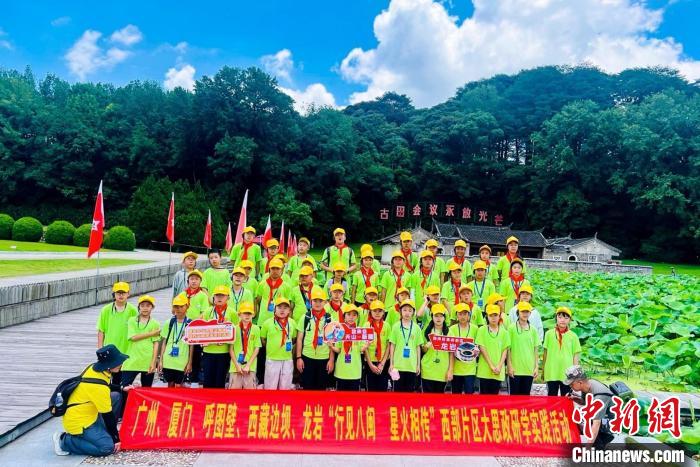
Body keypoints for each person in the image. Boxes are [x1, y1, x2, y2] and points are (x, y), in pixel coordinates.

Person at [52, 345, 127, 457]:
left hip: (89, 412)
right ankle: (64, 440)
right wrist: (116, 439)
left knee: (115, 396)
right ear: (108, 365)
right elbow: (108, 415)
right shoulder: (99, 389)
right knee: (107, 447)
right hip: (80, 422)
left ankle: (102, 433)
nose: (121, 364)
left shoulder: (93, 368)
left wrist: (121, 388)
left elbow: (106, 384)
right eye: (118, 362)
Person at [96, 281, 138, 387]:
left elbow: (137, 331)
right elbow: (101, 331)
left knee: (124, 381)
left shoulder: (133, 311)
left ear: (128, 294)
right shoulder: (105, 310)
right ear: (114, 294)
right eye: (118, 293)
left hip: (126, 351)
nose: (121, 295)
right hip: (110, 352)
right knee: (108, 380)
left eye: (123, 293)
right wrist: (100, 349)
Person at [564, 365, 615, 448]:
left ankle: (599, 444)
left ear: (580, 382)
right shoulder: (587, 386)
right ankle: (596, 444)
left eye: (571, 384)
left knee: (587, 421)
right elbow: (587, 403)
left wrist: (588, 447)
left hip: (610, 421)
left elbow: (596, 423)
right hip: (600, 416)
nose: (570, 386)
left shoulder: (600, 395)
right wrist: (576, 399)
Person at [295, 287, 334, 390]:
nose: (317, 303)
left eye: (320, 301)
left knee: (321, 389)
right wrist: (299, 358)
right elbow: (299, 339)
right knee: (307, 388)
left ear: (325, 302)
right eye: (315, 300)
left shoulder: (329, 319)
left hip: (324, 358)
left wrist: (331, 360)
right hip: (307, 357)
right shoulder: (305, 317)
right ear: (311, 302)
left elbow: (332, 342)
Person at [120, 295, 161, 389]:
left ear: (152, 307)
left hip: (147, 360)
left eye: (148, 305)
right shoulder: (132, 320)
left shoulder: (155, 323)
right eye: (142, 305)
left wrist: (153, 362)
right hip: (132, 360)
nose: (145, 308)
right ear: (139, 307)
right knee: (124, 387)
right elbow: (133, 337)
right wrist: (152, 333)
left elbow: (156, 344)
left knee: (146, 389)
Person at [201, 285, 235, 388]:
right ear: (213, 298)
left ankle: (218, 399)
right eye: (217, 295)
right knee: (207, 381)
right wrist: (203, 341)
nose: (219, 298)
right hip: (208, 351)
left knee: (220, 381)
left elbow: (236, 332)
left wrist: (226, 339)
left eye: (222, 296)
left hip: (223, 352)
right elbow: (201, 329)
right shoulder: (208, 311)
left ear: (228, 298)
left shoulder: (232, 313)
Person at [260, 297, 297, 390]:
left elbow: (294, 339)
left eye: (285, 308)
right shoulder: (267, 323)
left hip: (287, 359)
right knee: (270, 387)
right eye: (279, 307)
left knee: (285, 387)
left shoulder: (293, 323)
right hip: (272, 358)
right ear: (275, 309)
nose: (282, 310)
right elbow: (263, 340)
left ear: (289, 310)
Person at [388, 300, 425, 392]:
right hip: (397, 366)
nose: (407, 313)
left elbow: (418, 347)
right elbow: (392, 346)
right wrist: (391, 363)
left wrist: (418, 365)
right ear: (400, 311)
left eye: (410, 310)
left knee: (409, 392)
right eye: (404, 310)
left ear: (413, 312)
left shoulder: (416, 328)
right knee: (397, 392)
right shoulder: (396, 326)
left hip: (411, 366)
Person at [543, 306, 581, 396]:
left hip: (567, 373)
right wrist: (543, 370)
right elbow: (545, 353)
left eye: (566, 318)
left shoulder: (573, 336)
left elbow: (575, 357)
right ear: (556, 318)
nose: (562, 320)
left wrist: (575, 374)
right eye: (559, 317)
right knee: (551, 397)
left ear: (570, 320)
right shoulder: (549, 334)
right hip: (551, 372)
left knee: (566, 397)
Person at [158, 294, 193, 388]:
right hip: (168, 360)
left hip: (182, 361)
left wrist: (189, 362)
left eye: (181, 306)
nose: (179, 309)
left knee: (179, 386)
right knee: (170, 385)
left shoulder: (190, 324)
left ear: (187, 306)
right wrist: (161, 361)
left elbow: (191, 345)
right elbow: (164, 343)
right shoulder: (169, 322)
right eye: (176, 306)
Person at [475, 304, 511, 395]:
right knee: (483, 397)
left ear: (499, 316)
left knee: (495, 397)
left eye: (495, 315)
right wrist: (491, 365)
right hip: (484, 370)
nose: (493, 318)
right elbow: (482, 348)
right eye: (491, 315)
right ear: (487, 316)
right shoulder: (482, 330)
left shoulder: (504, 332)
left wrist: (499, 366)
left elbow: (505, 350)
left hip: (498, 371)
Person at [507, 302, 541, 395]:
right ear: (518, 312)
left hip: (529, 369)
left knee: (526, 397)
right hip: (515, 369)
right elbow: (508, 349)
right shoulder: (511, 328)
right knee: (514, 397)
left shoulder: (533, 330)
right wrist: (509, 366)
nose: (525, 314)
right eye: (523, 311)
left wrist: (536, 367)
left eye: (527, 312)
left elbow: (535, 350)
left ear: (530, 313)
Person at [332, 304, 368, 391]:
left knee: (353, 397)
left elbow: (361, 349)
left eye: (354, 315)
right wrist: (331, 346)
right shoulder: (340, 331)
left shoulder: (359, 331)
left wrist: (366, 346)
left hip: (355, 371)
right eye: (348, 314)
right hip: (341, 370)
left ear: (357, 317)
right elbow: (338, 350)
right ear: (344, 316)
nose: (351, 317)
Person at [448, 303, 479, 394]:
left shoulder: (475, 329)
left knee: (469, 396)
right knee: (456, 396)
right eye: (460, 314)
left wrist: (476, 351)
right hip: (456, 369)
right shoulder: (452, 329)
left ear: (469, 315)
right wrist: (451, 369)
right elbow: (451, 351)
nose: (462, 316)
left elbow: (478, 347)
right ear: (456, 316)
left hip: (470, 369)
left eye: (465, 314)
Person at [228, 302, 261, 389]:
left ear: (253, 315)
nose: (247, 315)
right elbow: (231, 349)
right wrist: (237, 365)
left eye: (249, 313)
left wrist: (248, 365)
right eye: (245, 313)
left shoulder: (256, 329)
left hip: (250, 367)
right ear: (239, 314)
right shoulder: (234, 329)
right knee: (234, 392)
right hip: (235, 367)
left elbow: (257, 348)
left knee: (249, 393)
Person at [420, 304, 451, 393]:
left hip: (442, 370)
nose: (438, 318)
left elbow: (451, 353)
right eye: (436, 316)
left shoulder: (449, 332)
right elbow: (422, 350)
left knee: (439, 397)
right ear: (432, 317)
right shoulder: (426, 331)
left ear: (444, 317)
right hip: (428, 369)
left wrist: (450, 370)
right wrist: (426, 346)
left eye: (441, 316)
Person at [255, 258, 292, 325]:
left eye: (277, 269)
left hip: (279, 320)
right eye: (273, 268)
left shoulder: (286, 286)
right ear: (269, 270)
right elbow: (258, 300)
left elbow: (288, 304)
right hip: (263, 319)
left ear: (282, 270)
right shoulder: (262, 284)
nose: (275, 271)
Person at [364, 300, 390, 392]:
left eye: (380, 311)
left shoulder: (387, 326)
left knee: (382, 388)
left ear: (383, 312)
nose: (377, 313)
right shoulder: (366, 325)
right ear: (370, 312)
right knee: (370, 389)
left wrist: (382, 363)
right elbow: (364, 346)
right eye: (374, 311)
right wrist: (370, 364)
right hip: (370, 361)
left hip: (383, 362)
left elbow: (388, 345)